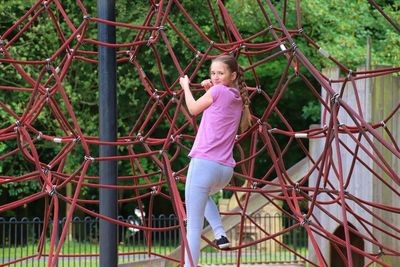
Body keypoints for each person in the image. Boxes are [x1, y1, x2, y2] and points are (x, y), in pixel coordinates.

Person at [179, 54, 252, 267]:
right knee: (204, 197)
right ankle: (220, 233)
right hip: (224, 170)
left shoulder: (218, 91)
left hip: (204, 163)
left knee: (193, 226)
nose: (216, 76)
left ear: (233, 75)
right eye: (213, 73)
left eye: (221, 73)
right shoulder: (237, 97)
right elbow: (216, 111)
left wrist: (185, 86)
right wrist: (209, 88)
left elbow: (193, 109)